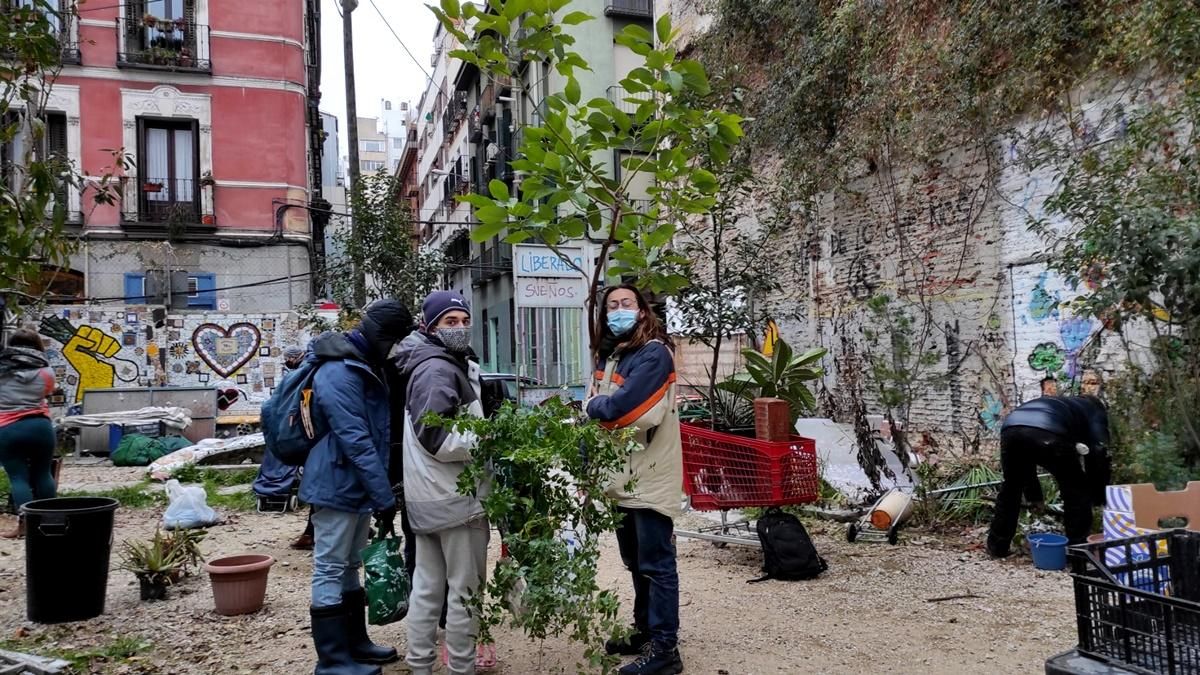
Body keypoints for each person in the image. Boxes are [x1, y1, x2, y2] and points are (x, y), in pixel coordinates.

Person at [300, 306, 410, 675]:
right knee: (329, 567)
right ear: (381, 335)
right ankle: (332, 660)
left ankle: (355, 644)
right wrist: (383, 496)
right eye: (395, 340)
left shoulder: (361, 364)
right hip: (336, 484)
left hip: (356, 483)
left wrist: (377, 492)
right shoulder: (339, 372)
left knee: (349, 564)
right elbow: (356, 440)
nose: (396, 348)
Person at [586, 285, 684, 675]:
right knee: (635, 561)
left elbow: (629, 413)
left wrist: (595, 407)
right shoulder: (612, 355)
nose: (619, 310)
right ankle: (644, 630)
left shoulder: (653, 354)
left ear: (643, 311)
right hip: (621, 478)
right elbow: (599, 411)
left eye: (627, 303)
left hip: (650, 475)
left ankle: (665, 651)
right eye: (612, 305)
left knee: (657, 564)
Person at [392, 290, 491, 675]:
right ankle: (461, 669)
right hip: (454, 499)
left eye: (465, 321)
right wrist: (489, 437)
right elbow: (437, 437)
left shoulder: (430, 362)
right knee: (465, 591)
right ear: (430, 326)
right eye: (450, 322)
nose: (460, 328)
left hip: (428, 497)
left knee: (428, 588)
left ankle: (420, 666)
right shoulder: (437, 369)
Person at [986, 394, 1111, 557]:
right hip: (1048, 432)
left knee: (1011, 488)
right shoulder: (1095, 411)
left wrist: (1034, 496)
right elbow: (1099, 450)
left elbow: (1027, 463)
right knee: (1076, 492)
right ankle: (1077, 552)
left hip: (1011, 428)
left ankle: (997, 547)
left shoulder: (1064, 404)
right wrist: (1099, 496)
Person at [0, 328, 58, 539]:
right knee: (43, 473)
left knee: (18, 478)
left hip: (8, 428)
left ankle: (26, 526)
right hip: (40, 426)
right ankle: (53, 522)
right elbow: (48, 391)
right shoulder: (47, 372)